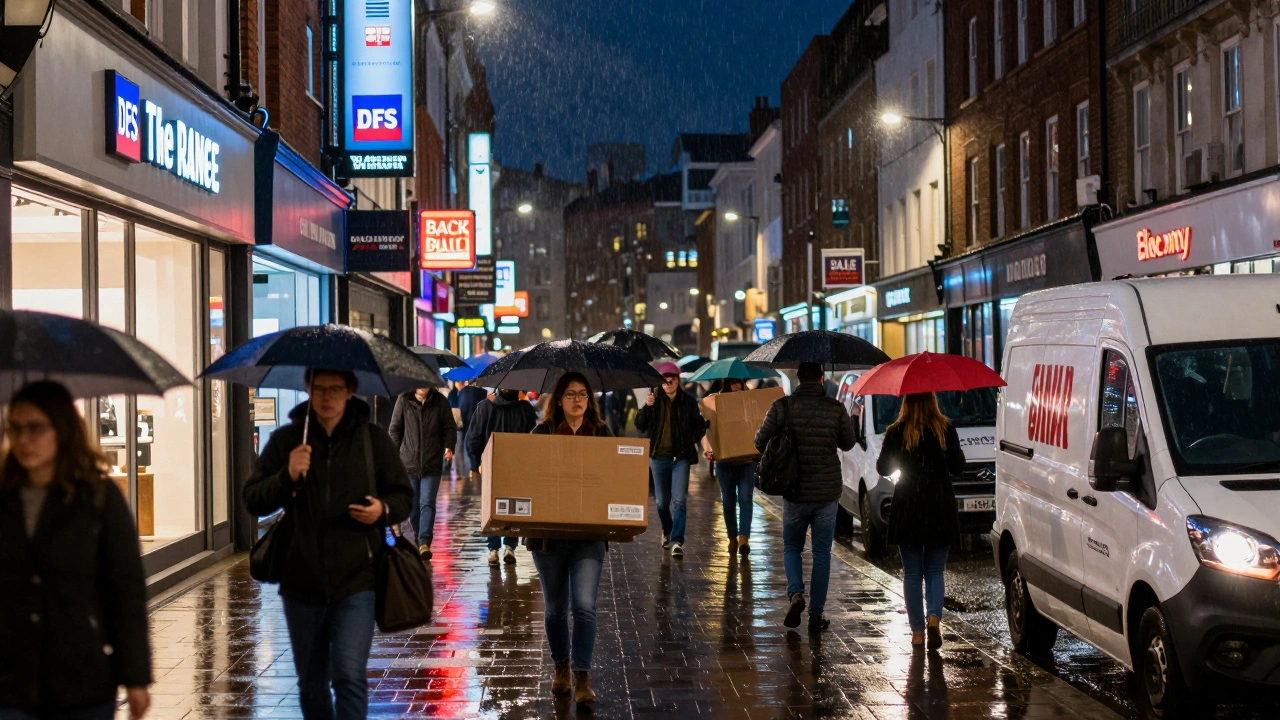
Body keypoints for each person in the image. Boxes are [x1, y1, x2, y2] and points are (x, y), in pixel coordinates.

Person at [244, 369, 413, 720]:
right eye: (319, 389)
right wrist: (285, 476)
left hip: (358, 581)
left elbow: (402, 496)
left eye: (335, 389)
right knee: (312, 681)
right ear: (308, 389)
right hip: (301, 582)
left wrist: (383, 509)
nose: (326, 397)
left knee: (349, 676)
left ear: (350, 390)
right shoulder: (288, 440)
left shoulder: (373, 440)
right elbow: (253, 500)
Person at [0, 382, 152, 720]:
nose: (23, 439)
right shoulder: (4, 496)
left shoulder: (98, 498)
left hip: (80, 675)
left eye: (35, 428)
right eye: (15, 428)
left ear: (62, 429)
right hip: (11, 677)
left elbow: (125, 590)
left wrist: (136, 677)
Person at [529, 372, 613, 708]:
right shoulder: (541, 434)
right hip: (548, 538)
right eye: (569, 394)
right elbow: (526, 475)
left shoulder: (603, 434)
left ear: (589, 400)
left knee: (584, 607)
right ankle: (560, 667)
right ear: (558, 401)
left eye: (582, 394)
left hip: (588, 536)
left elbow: (617, 477)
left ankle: (581, 676)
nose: (577, 400)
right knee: (555, 610)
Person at [754, 361, 856, 634]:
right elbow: (848, 442)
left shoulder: (782, 407)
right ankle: (816, 615)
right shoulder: (835, 408)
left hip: (794, 490)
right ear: (821, 378)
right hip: (826, 492)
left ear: (799, 378)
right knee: (822, 553)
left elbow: (759, 441)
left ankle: (796, 593)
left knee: (792, 547)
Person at [876, 392, 965, 650]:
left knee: (913, 573)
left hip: (908, 505)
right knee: (935, 570)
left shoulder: (896, 431)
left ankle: (917, 632)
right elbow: (958, 467)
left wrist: (899, 457)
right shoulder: (945, 429)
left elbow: (883, 468)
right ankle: (934, 617)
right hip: (939, 505)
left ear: (906, 403)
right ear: (934, 401)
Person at [634, 361, 706, 557]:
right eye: (664, 380)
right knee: (661, 502)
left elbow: (699, 427)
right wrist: (646, 407)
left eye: (672, 379)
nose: (668, 382)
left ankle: (677, 541)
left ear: (677, 380)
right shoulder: (653, 401)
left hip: (680, 458)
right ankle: (667, 530)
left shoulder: (688, 401)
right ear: (660, 382)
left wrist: (694, 442)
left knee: (680, 500)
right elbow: (640, 425)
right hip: (658, 458)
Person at [466, 388, 539, 565]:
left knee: (491, 506)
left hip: (491, 466)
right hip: (518, 467)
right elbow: (534, 439)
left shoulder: (484, 407)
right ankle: (510, 546)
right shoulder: (525, 408)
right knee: (514, 505)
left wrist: (475, 464)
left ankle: (493, 548)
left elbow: (473, 439)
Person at [388, 386, 456, 560]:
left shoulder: (440, 401)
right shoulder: (404, 399)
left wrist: (449, 446)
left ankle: (424, 541)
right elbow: (395, 428)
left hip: (432, 462)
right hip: (408, 463)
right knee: (413, 504)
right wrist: (393, 455)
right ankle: (419, 537)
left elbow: (449, 427)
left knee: (427, 502)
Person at [700, 377, 757, 556]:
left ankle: (743, 537)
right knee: (728, 501)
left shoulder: (749, 402)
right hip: (724, 463)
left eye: (739, 383)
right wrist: (707, 448)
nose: (736, 386)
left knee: (746, 498)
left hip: (746, 462)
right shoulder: (715, 402)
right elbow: (707, 428)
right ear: (726, 384)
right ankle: (732, 537)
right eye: (733, 383)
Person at [456, 381, 489, 478]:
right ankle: (476, 466)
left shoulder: (463, 392)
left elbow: (461, 408)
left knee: (467, 444)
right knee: (479, 443)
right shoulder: (482, 392)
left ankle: (471, 468)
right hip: (479, 422)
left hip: (466, 422)